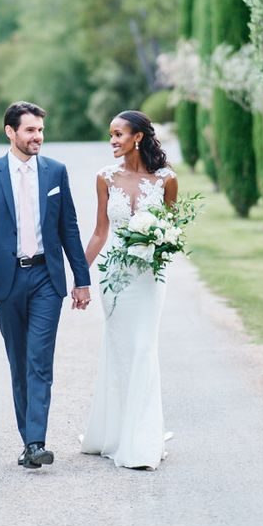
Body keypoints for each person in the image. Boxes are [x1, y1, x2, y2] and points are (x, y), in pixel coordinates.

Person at [0, 101, 91, 469]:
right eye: (30, 130)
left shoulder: (56, 172)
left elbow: (69, 227)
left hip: (46, 280)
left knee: (39, 361)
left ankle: (36, 442)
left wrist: (81, 280)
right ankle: (28, 441)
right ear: (11, 132)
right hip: (6, 280)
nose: (38, 137)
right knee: (18, 362)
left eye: (40, 130)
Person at [80, 110, 177, 470]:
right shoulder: (105, 178)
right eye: (110, 135)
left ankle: (144, 439)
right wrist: (78, 275)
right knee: (122, 349)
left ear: (138, 137)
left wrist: (161, 243)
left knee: (142, 347)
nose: (113, 141)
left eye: (119, 134)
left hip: (151, 278)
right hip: (115, 276)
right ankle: (119, 431)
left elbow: (173, 229)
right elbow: (100, 232)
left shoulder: (167, 180)